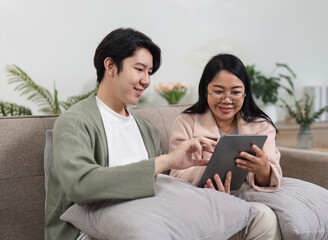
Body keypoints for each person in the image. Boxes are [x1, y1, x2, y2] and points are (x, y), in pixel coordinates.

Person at [44, 28, 216, 240]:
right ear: (110, 66)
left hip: (146, 222)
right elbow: (80, 185)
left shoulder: (146, 128)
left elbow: (160, 188)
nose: (146, 80)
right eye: (139, 69)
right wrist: (164, 161)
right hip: (87, 232)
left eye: (149, 72)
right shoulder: (75, 122)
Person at [169, 53, 283, 239]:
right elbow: (175, 175)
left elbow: (271, 177)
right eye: (219, 91)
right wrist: (209, 178)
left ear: (245, 93)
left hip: (246, 200)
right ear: (206, 90)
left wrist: (263, 169)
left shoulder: (262, 126)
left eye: (236, 92)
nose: (227, 100)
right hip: (200, 202)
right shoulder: (185, 122)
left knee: (265, 217)